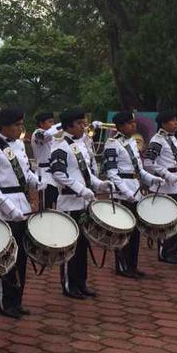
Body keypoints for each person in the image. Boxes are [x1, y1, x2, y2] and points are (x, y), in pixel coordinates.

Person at [0, 107, 40, 317]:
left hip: (22, 204)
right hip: (4, 207)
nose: (20, 128)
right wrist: (10, 208)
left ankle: (17, 300)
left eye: (21, 124)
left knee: (21, 257)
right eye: (16, 125)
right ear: (4, 126)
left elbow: (24, 172)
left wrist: (35, 181)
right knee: (5, 258)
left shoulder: (19, 146)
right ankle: (4, 303)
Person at [50, 108, 110, 298]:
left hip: (82, 203)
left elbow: (85, 172)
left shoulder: (78, 144)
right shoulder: (60, 145)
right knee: (70, 247)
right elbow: (58, 174)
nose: (84, 127)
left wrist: (99, 184)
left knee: (83, 246)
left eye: (84, 123)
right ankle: (69, 285)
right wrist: (81, 189)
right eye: (80, 123)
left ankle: (81, 282)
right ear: (69, 126)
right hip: (69, 202)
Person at [102, 110, 162, 278]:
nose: (133, 125)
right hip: (123, 192)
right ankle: (122, 266)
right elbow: (112, 173)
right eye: (129, 123)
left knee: (135, 232)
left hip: (134, 188)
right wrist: (126, 192)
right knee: (123, 231)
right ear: (120, 126)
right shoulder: (112, 144)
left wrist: (152, 179)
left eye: (134, 122)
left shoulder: (132, 142)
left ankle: (132, 265)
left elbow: (139, 169)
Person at [144, 111, 177, 263]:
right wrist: (166, 175)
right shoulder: (157, 140)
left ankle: (173, 250)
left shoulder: (173, 139)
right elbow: (148, 162)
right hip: (165, 187)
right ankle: (164, 252)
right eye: (173, 120)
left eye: (176, 120)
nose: (176, 123)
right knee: (167, 220)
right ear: (163, 123)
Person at [31, 112, 60, 209]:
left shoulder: (52, 136)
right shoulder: (37, 133)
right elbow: (45, 136)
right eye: (50, 122)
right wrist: (63, 124)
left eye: (53, 121)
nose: (52, 124)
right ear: (41, 124)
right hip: (44, 173)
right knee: (45, 205)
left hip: (55, 172)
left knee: (56, 202)